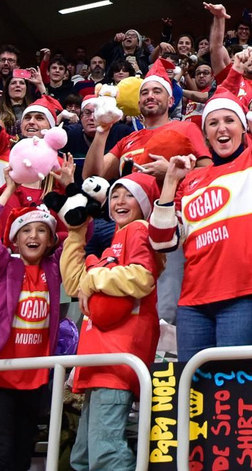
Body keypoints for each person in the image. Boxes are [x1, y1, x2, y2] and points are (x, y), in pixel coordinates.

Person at [149, 3, 252, 369]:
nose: (221, 129)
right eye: (212, 123)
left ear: (243, 127)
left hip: (242, 296)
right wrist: (169, 186)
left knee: (234, 395)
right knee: (195, 399)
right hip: (193, 303)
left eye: (229, 120)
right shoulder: (193, 178)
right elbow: (163, 241)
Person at [60, 172, 163, 471]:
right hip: (99, 361)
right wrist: (76, 233)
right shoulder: (112, 245)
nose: (119, 201)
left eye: (128, 195)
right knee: (83, 458)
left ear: (144, 203)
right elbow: (74, 284)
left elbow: (143, 277)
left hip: (116, 361)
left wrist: (92, 278)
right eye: (115, 194)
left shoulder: (139, 230)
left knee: (106, 455)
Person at [0, 187, 61, 471]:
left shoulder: (54, 268)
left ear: (50, 240)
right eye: (26, 231)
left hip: (35, 377)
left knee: (23, 454)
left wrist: (64, 191)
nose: (33, 236)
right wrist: (9, 191)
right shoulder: (5, 267)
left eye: (41, 231)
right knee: (0, 453)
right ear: (14, 239)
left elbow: (78, 234)